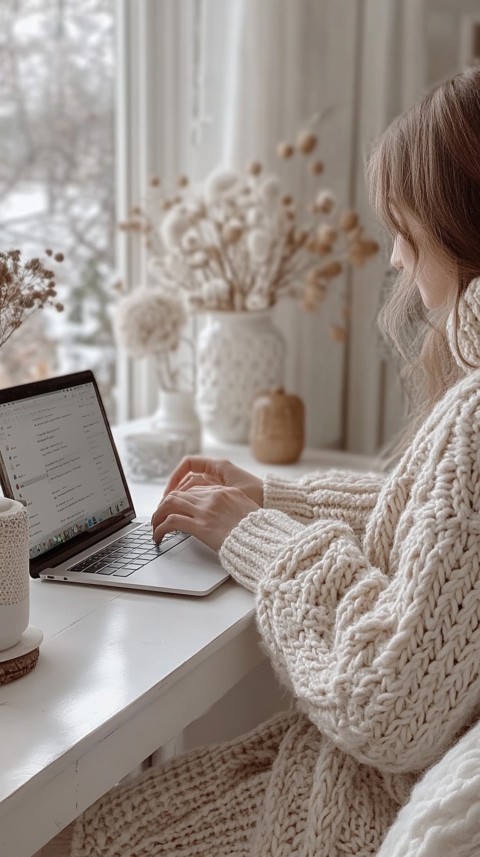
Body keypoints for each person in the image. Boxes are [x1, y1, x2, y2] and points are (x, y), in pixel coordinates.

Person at [53, 66, 480, 856]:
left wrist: (257, 535)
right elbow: (440, 529)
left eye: (405, 227)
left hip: (355, 804)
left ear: (459, 227)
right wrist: (272, 494)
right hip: (355, 779)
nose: (393, 258)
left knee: (84, 829)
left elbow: (387, 703)